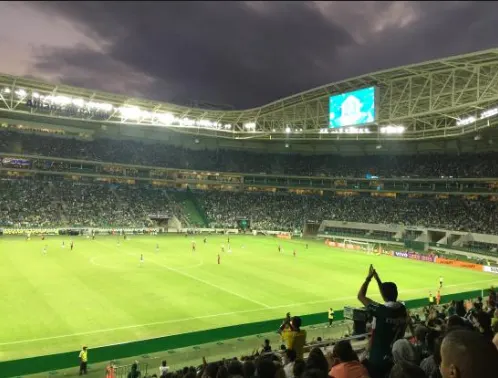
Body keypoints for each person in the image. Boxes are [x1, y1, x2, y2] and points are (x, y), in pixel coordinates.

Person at [357, 265, 407, 378]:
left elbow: (361, 296)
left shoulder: (380, 310)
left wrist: (368, 278)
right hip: (395, 356)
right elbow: (387, 298)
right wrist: (378, 279)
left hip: (377, 358)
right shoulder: (402, 309)